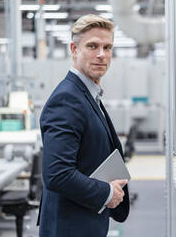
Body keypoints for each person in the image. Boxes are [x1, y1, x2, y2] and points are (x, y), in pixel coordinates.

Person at [38, 14, 130, 237]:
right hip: (69, 226)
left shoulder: (86, 95)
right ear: (74, 49)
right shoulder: (67, 99)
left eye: (107, 47)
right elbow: (57, 174)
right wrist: (106, 193)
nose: (101, 54)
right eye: (92, 46)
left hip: (83, 219)